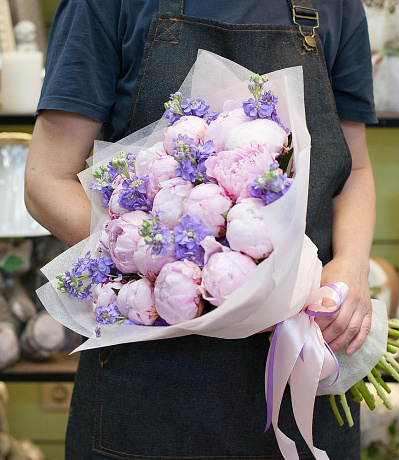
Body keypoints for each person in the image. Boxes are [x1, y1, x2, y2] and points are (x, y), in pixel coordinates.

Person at [25, 0, 377, 458]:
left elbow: (356, 169)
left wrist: (351, 265)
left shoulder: (336, 6)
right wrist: (163, 260)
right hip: (152, 375)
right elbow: (45, 180)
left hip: (304, 352)